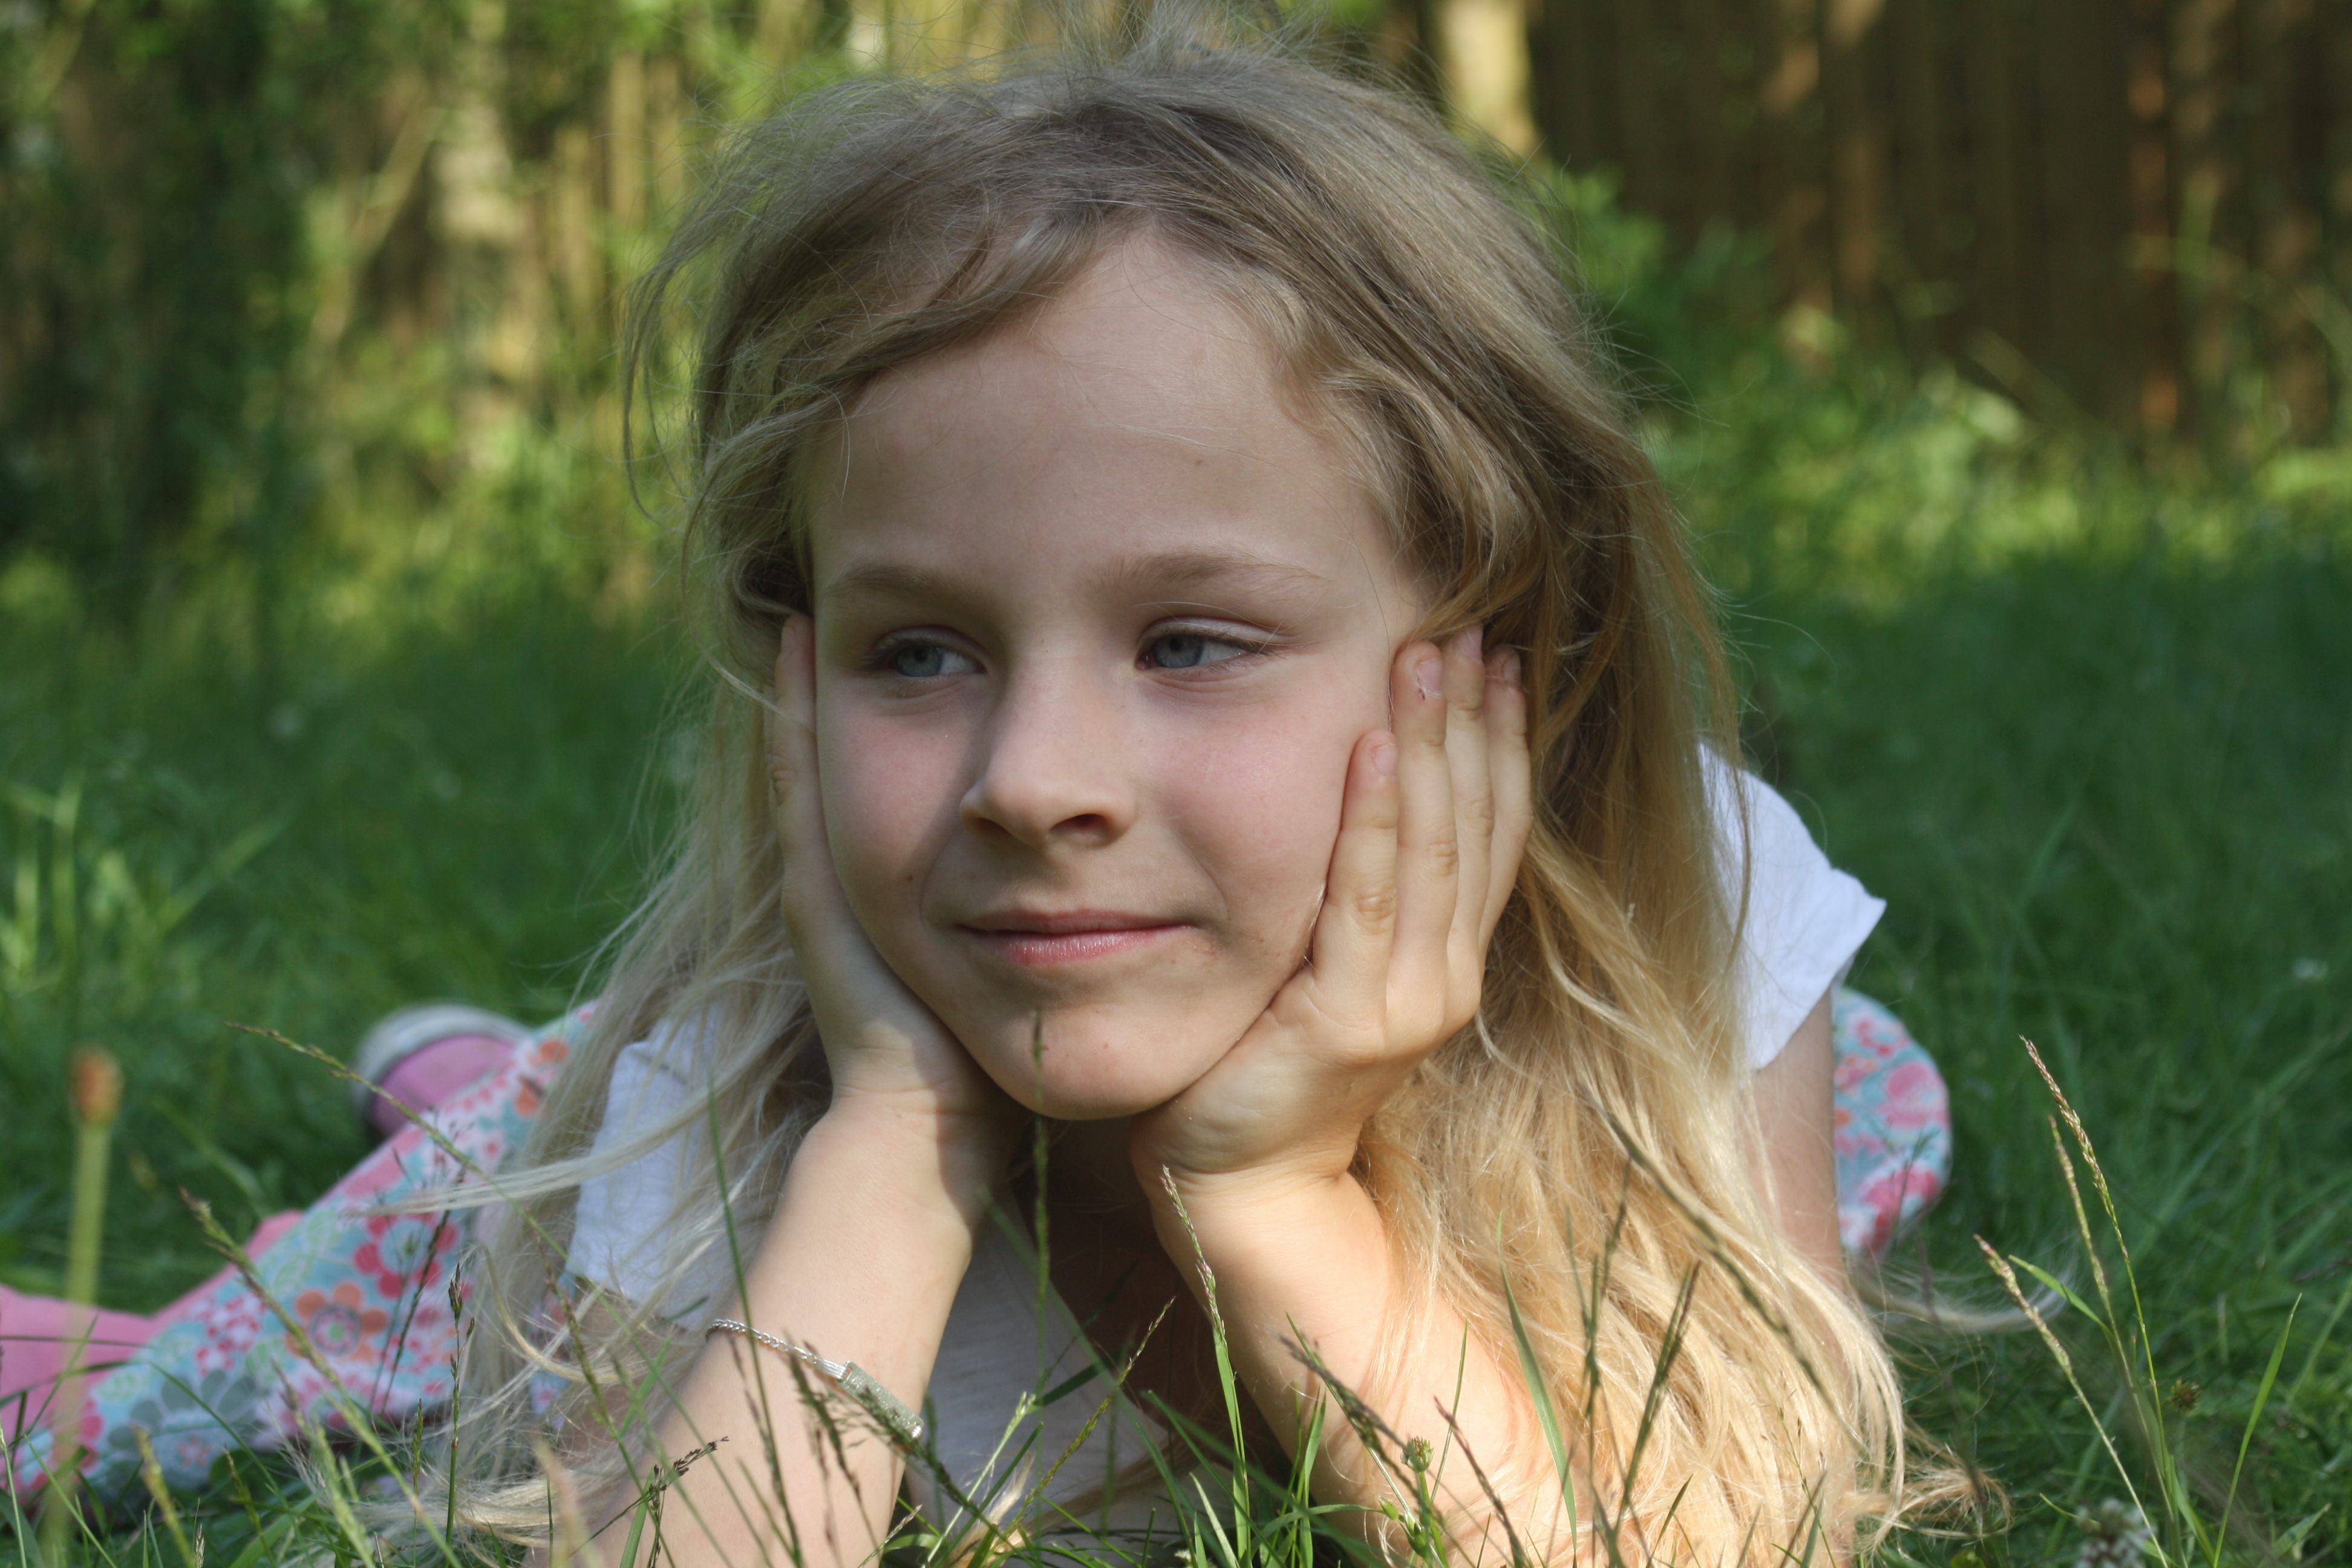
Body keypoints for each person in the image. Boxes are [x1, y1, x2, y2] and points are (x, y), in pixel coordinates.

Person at [2, 28, 1958, 1563]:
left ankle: (458, 1066)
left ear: (1506, 658)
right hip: (707, 1102)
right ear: (791, 676)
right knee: (254, 1356)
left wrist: (1265, 1195)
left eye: (1191, 643)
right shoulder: (746, 1101)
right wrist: (891, 1137)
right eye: (922, 655)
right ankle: (469, 1091)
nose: (1032, 785)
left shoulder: (1677, 951)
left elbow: (1704, 1539)